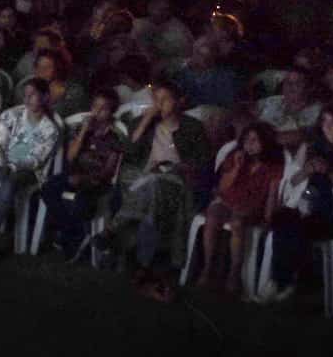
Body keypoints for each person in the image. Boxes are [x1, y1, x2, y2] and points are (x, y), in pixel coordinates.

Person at [100, 82, 211, 299]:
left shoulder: (192, 127)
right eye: (156, 99)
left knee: (155, 184)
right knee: (152, 194)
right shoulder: (143, 123)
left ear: (179, 102)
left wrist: (181, 166)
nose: (159, 104)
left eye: (165, 99)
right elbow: (129, 151)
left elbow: (204, 163)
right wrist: (147, 120)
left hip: (178, 185)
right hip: (146, 183)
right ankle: (144, 269)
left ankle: (112, 229)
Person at [261, 106, 333, 305]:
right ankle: (285, 281)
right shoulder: (310, 148)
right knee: (283, 219)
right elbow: (291, 181)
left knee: (293, 226)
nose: (328, 127)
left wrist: (330, 174)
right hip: (304, 207)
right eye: (324, 121)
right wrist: (307, 171)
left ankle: (286, 281)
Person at [0, 78, 63, 263]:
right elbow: (0, 144)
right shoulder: (11, 115)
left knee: (8, 185)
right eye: (26, 95)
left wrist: (13, 166)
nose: (27, 99)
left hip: (26, 169)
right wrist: (2, 163)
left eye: (32, 95)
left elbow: (37, 159)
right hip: (1, 160)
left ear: (45, 97)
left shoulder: (50, 129)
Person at [33, 90, 127, 259]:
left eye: (103, 109)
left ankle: (68, 241)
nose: (97, 112)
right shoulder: (82, 130)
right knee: (47, 187)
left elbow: (108, 172)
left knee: (81, 202)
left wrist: (88, 180)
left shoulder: (114, 137)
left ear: (111, 112)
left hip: (97, 181)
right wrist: (84, 131)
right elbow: (70, 157)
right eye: (95, 107)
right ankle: (72, 233)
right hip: (74, 174)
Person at [195, 122, 284, 296]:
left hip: (251, 206)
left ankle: (234, 272)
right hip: (228, 200)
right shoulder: (235, 157)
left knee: (237, 222)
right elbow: (222, 187)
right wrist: (236, 167)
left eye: (255, 140)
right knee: (212, 215)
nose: (250, 145)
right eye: (247, 140)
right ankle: (207, 267)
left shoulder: (273, 166)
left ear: (265, 142)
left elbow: (272, 194)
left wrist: (268, 217)